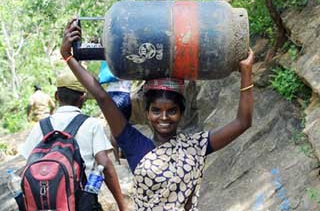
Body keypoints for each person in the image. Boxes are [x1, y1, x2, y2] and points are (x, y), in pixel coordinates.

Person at [61, 18, 254, 210]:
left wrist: (246, 72)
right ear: (146, 112)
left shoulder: (195, 146)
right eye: (156, 110)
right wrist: (67, 56)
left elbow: (242, 122)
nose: (163, 117)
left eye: (171, 111)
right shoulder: (133, 142)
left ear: (181, 113)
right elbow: (102, 97)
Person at [21, 69, 127, 211]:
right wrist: (122, 206)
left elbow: (27, 164)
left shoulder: (40, 126)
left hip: (46, 204)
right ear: (82, 98)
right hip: (83, 203)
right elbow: (105, 165)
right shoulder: (91, 124)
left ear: (56, 96)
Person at [99, 60, 132, 164]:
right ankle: (125, 155)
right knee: (125, 127)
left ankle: (117, 159)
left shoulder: (111, 59)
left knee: (113, 128)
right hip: (123, 94)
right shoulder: (128, 60)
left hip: (110, 94)